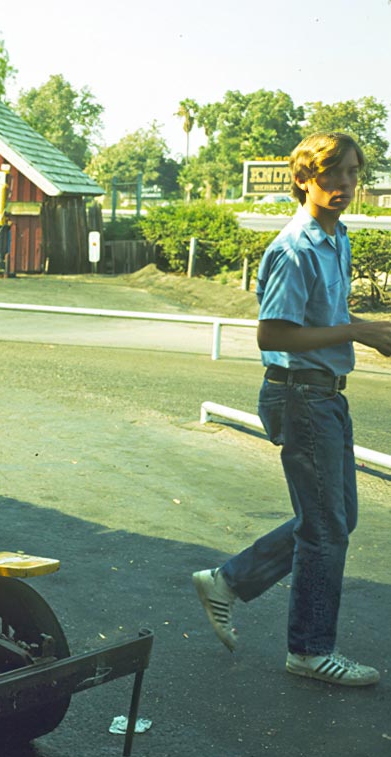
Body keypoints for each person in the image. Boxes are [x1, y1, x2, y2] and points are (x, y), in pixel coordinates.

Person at [192, 133, 391, 687]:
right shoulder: (294, 247)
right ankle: (307, 650)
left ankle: (227, 581)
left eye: (352, 173)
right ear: (302, 179)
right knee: (327, 526)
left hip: (325, 392)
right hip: (298, 394)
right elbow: (270, 333)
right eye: (332, 174)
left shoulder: (337, 238)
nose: (345, 184)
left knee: (335, 519)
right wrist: (362, 330)